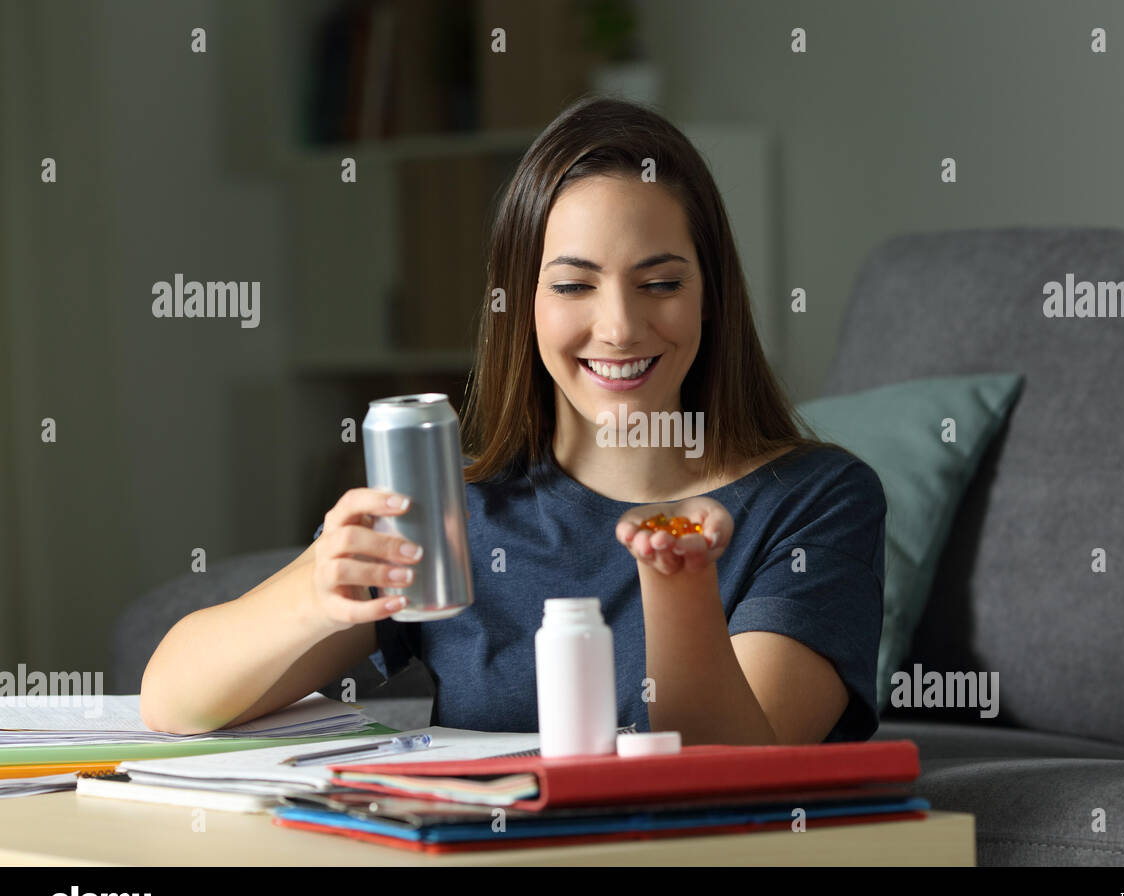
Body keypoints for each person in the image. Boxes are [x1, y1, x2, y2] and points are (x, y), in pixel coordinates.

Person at [140, 94, 886, 746]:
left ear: (711, 296)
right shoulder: (458, 512)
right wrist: (314, 594)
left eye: (659, 283)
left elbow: (735, 771)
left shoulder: (816, 501)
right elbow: (173, 698)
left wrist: (679, 579)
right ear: (519, 307)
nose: (620, 327)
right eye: (573, 286)